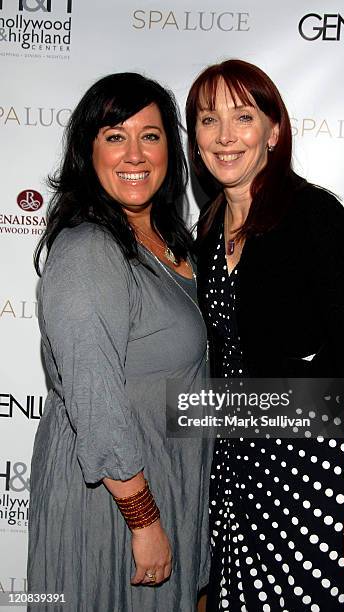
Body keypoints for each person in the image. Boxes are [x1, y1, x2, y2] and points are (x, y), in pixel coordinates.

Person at [186, 59, 344, 611]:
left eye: (243, 116)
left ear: (273, 132)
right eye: (208, 120)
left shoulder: (316, 219)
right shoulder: (205, 232)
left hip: (310, 475)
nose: (225, 136)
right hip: (235, 478)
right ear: (195, 138)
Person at [28, 72, 212, 612]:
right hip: (114, 499)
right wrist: (143, 518)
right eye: (114, 135)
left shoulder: (175, 241)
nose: (134, 153)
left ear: (170, 151)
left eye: (150, 136)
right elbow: (93, 393)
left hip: (167, 478)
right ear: (90, 151)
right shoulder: (89, 247)